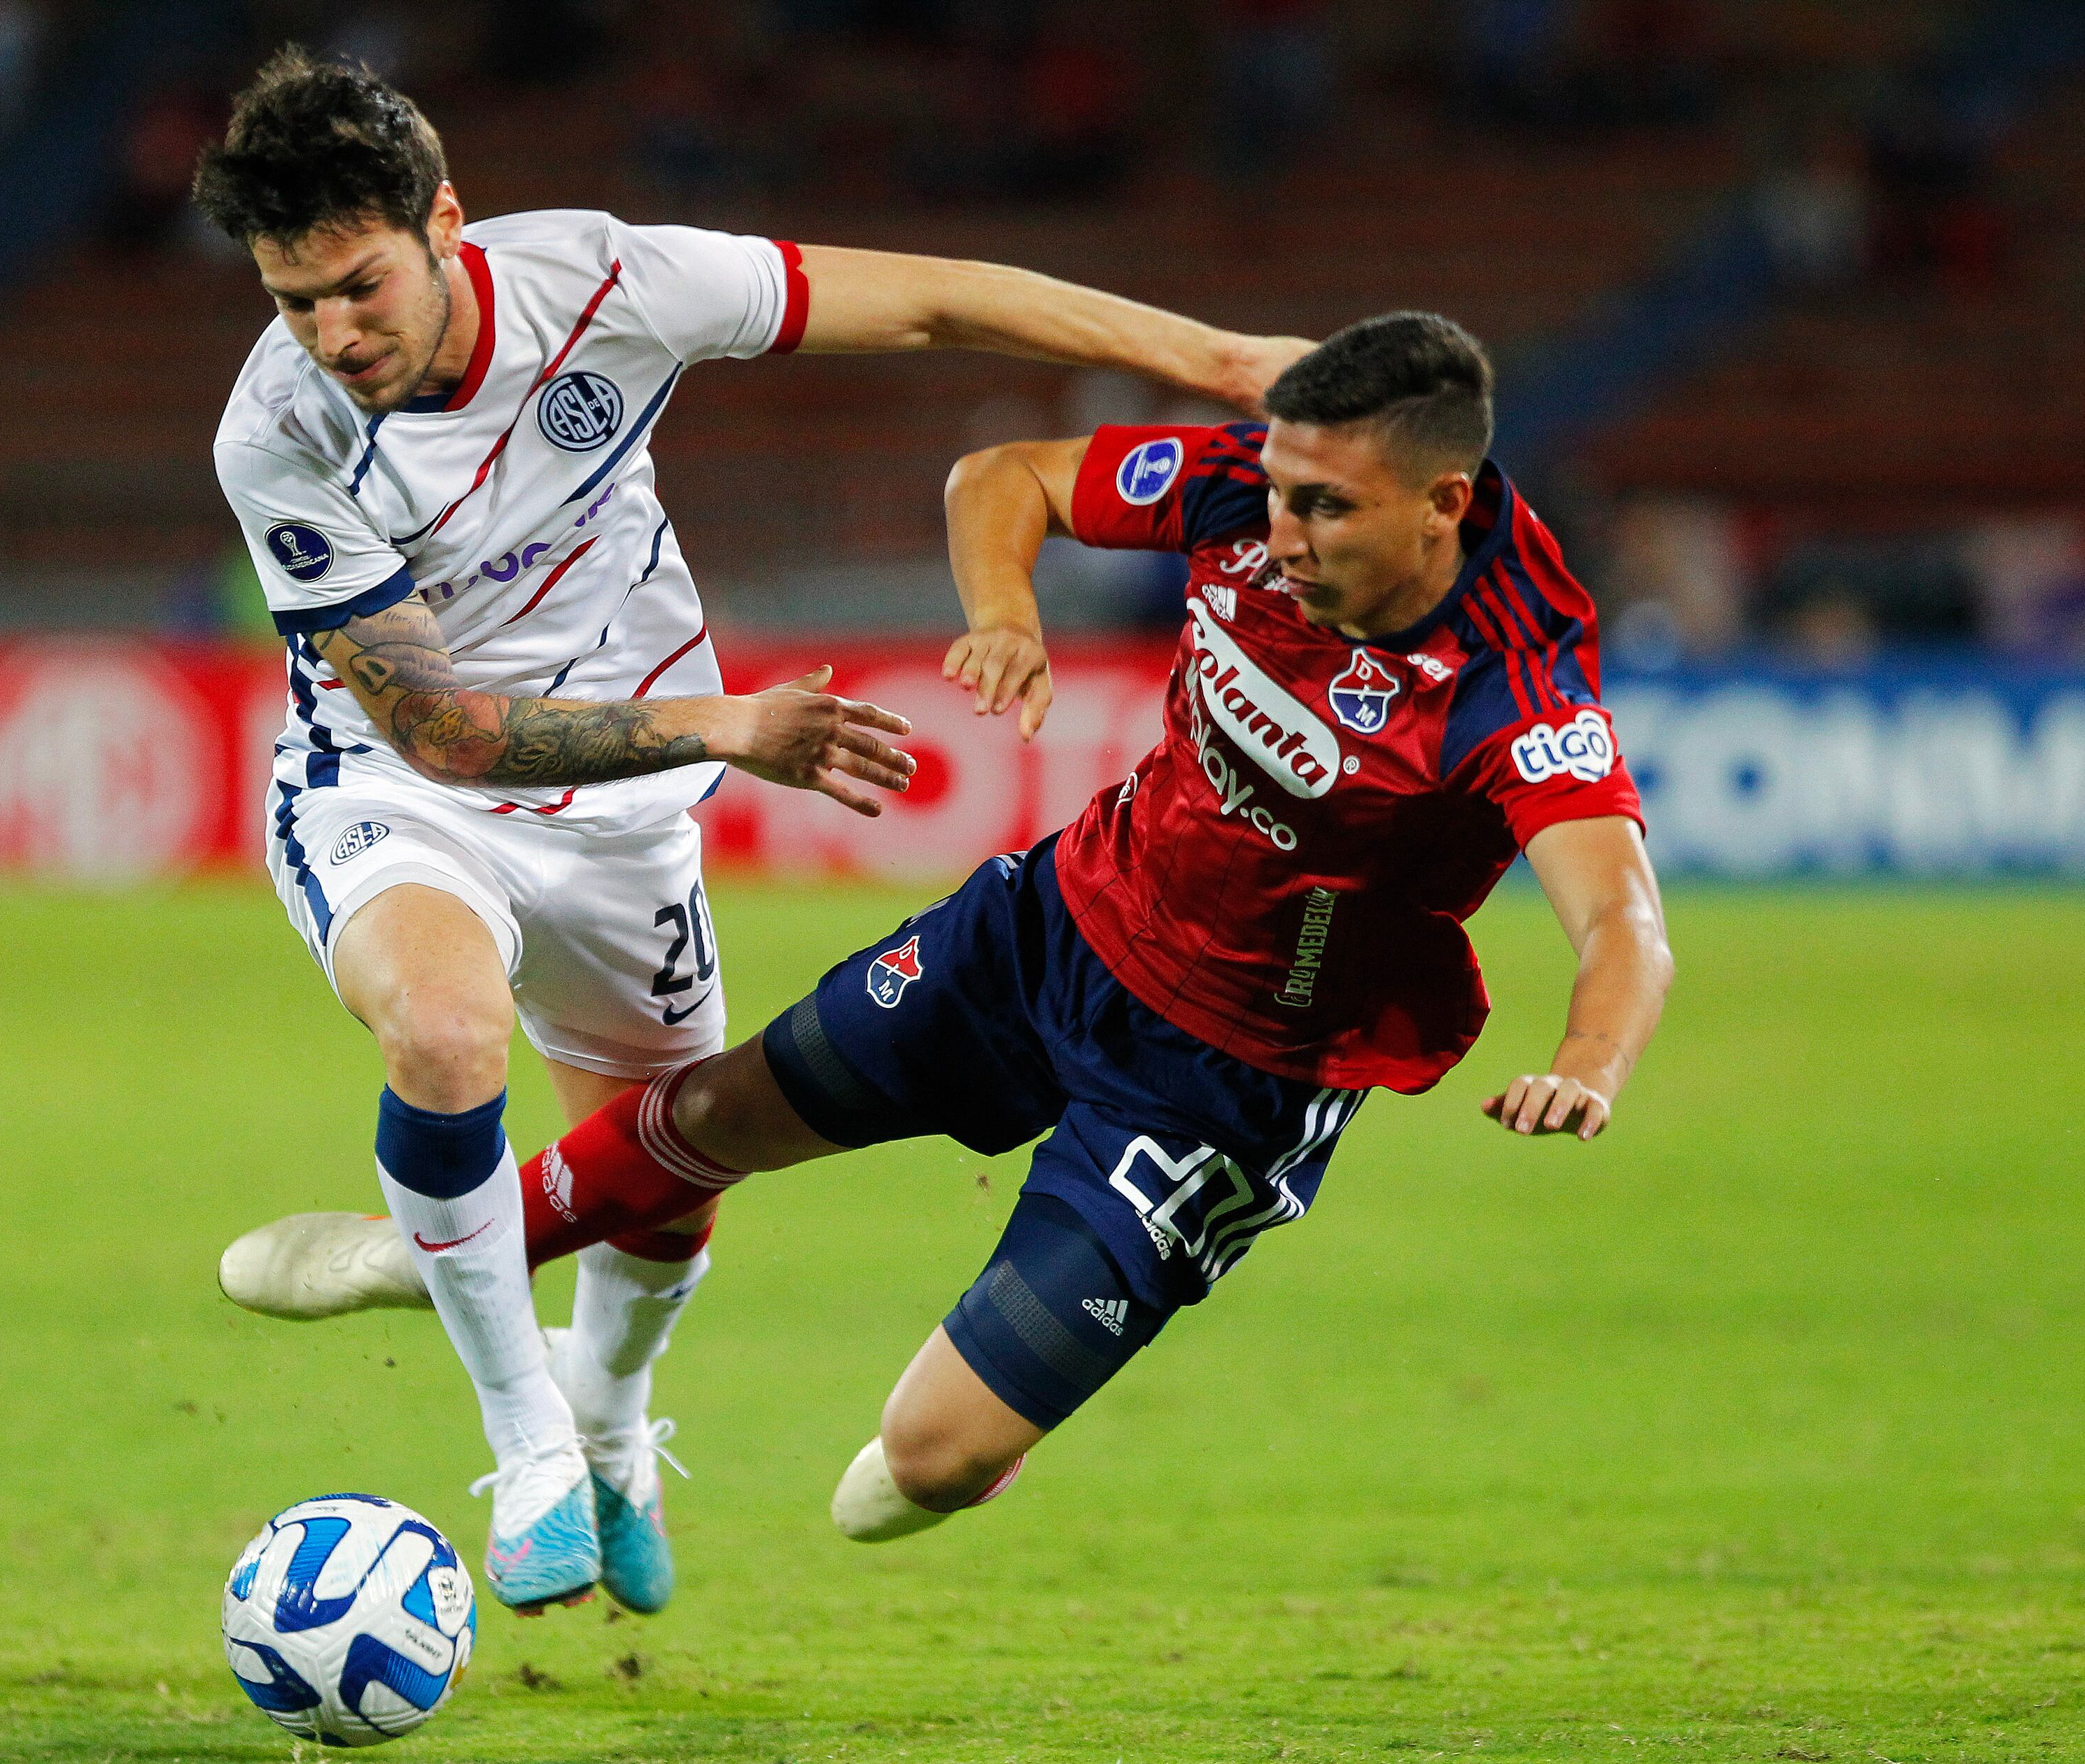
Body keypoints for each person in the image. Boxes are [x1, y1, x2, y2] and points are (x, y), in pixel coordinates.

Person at [223, 311, 1675, 1553]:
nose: (1278, 531)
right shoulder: (1250, 482)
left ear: (1442, 502)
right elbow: (1004, 477)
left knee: (921, 1467)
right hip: (1058, 926)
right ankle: (436, 1249)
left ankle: (976, 1408)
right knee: (723, 1105)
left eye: (1325, 511)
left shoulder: (1512, 685)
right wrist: (1008, 614)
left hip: (1219, 1087)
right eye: (1280, 493)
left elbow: (1618, 916)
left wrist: (1591, 1064)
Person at [191, 47, 1312, 1616]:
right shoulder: (279, 432)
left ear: (447, 221)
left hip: (626, 820)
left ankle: (606, 1423)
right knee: (444, 1039)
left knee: (667, 1178)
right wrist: (724, 726)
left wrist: (1212, 356)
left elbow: (930, 297)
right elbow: (441, 729)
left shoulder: (607, 281)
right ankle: (526, 1458)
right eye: (291, 300)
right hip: (399, 793)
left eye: (358, 287)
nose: (330, 334)